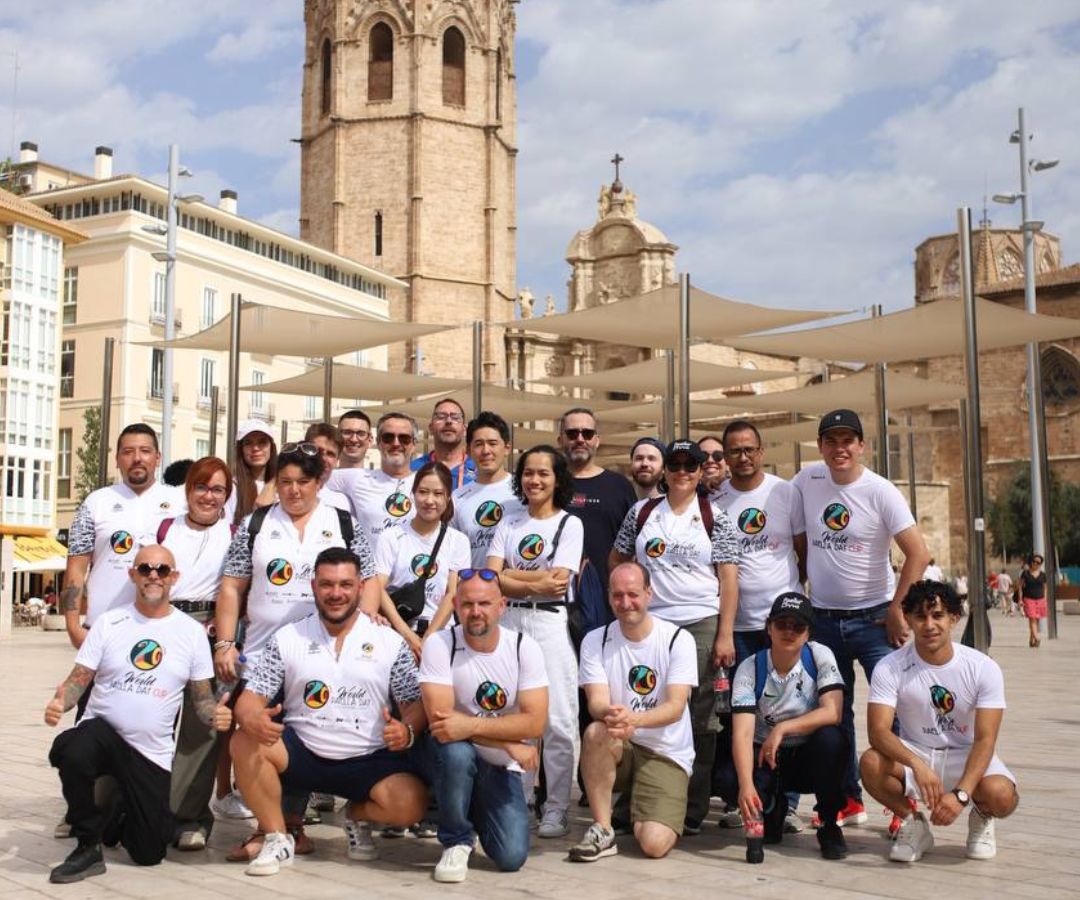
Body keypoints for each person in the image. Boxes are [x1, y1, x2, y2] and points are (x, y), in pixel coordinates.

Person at [214, 443, 376, 860]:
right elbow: (232, 585)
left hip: (322, 652)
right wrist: (226, 642)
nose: (293, 491)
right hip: (263, 653)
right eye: (284, 482)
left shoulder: (342, 522)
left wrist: (361, 636)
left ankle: (290, 826)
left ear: (319, 481)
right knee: (251, 734)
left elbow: (369, 578)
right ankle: (267, 827)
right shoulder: (255, 522)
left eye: (302, 482)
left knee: (302, 738)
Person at [231, 547, 429, 876]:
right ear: (313, 587)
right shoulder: (287, 637)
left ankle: (357, 815)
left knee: (411, 805)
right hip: (303, 753)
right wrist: (252, 717)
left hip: (368, 759)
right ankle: (278, 838)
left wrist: (407, 730)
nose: (336, 593)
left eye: (345, 585)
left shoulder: (389, 641)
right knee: (243, 741)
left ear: (361, 587)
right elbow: (252, 696)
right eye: (327, 584)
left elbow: (414, 704)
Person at [44, 545, 232, 883]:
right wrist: (62, 702)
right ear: (133, 575)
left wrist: (214, 715)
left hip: (150, 754)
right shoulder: (110, 622)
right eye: (145, 569)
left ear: (174, 578)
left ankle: (117, 815)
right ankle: (87, 845)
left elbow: (202, 699)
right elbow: (78, 680)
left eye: (162, 570)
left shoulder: (190, 633)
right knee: (70, 749)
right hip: (105, 735)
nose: (153, 576)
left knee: (148, 854)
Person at [792, 409, 929, 827]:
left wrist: (896, 608)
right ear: (820, 446)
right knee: (836, 710)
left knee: (897, 711)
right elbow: (801, 544)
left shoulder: (880, 491)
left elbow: (918, 553)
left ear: (862, 445)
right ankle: (849, 799)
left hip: (874, 619)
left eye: (848, 440)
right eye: (831, 441)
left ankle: (899, 801)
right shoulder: (806, 481)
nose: (840, 449)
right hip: (825, 620)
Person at [609, 439, 740, 833]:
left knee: (700, 715)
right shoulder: (643, 512)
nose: (682, 471)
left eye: (691, 465)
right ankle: (633, 800)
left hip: (700, 621)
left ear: (701, 472)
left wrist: (725, 634)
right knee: (642, 702)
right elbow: (618, 558)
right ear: (664, 470)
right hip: (654, 623)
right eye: (676, 464)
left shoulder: (715, 516)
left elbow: (729, 578)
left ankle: (692, 806)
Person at [860, 580, 1018, 863]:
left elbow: (985, 739)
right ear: (907, 619)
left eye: (938, 615)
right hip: (918, 751)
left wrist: (961, 795)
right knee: (870, 763)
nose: (929, 625)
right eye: (920, 617)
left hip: (965, 753)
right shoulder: (890, 666)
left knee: (1002, 796)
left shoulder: (983, 667)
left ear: (954, 618)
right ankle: (913, 822)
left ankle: (981, 816)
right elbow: (878, 732)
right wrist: (917, 764)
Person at [418, 568, 549, 882]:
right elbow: (443, 725)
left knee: (511, 856)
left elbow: (534, 723)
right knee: (456, 754)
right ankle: (456, 839)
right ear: (456, 604)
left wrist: (469, 725)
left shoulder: (523, 647)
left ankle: (469, 808)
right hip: (449, 755)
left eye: (484, 604)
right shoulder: (440, 644)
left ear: (501, 605)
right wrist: (508, 742)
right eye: (467, 604)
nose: (475, 612)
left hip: (496, 766)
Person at [711, 420, 806, 832]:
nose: (743, 457)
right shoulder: (714, 500)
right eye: (734, 451)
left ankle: (788, 801)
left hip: (781, 624)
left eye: (750, 449)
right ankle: (746, 797)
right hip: (738, 625)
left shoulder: (785, 492)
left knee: (786, 708)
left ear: (762, 451)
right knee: (739, 714)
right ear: (725, 456)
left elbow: (802, 553)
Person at [570, 562, 697, 862]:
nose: (625, 603)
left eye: (633, 594)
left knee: (653, 845)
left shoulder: (678, 639)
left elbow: (676, 707)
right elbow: (596, 702)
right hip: (620, 741)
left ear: (649, 594)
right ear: (608, 596)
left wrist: (633, 720)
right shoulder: (595, 639)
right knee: (595, 731)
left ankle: (645, 803)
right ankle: (603, 829)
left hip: (666, 751)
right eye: (617, 596)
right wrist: (614, 715)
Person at [487, 444, 584, 838]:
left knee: (559, 719)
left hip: (550, 625)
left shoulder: (569, 524)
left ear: (557, 479)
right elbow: (491, 576)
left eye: (543, 473)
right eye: (528, 473)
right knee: (514, 715)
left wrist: (513, 577)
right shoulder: (508, 522)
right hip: (510, 623)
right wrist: (532, 581)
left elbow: (558, 582)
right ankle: (521, 797)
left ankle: (557, 806)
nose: (535, 480)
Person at [717, 592, 848, 863]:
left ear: (808, 632)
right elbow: (741, 733)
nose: (789, 631)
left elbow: (833, 712)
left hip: (805, 754)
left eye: (798, 626)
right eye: (781, 624)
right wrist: (745, 786)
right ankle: (771, 806)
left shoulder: (819, 656)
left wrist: (783, 728)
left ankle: (828, 823)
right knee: (728, 778)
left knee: (833, 741)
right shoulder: (750, 667)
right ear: (769, 628)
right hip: (766, 756)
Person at [157, 457, 241, 849]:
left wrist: (229, 642)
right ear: (188, 489)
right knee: (149, 720)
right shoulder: (163, 528)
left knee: (202, 729)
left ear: (227, 496)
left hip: (211, 633)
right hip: (165, 629)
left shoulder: (235, 533)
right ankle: (134, 804)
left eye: (218, 489)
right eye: (202, 487)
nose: (209, 496)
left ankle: (187, 816)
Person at [60, 423, 185, 652]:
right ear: (117, 459)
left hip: (163, 632)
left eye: (145, 451)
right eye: (128, 452)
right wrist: (73, 627)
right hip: (102, 630)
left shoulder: (180, 502)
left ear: (158, 458)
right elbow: (75, 570)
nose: (137, 458)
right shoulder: (95, 503)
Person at [373, 461, 471, 656]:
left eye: (438, 494)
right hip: (396, 637)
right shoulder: (391, 537)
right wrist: (408, 636)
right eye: (423, 492)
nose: (429, 500)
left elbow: (452, 593)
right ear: (413, 493)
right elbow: (378, 587)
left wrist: (428, 640)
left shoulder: (457, 540)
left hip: (441, 638)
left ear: (448, 497)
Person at [557, 407, 636, 592]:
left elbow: (634, 545)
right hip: (555, 599)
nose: (580, 439)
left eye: (587, 433)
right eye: (572, 433)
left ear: (597, 440)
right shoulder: (547, 485)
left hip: (608, 598)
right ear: (560, 440)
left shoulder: (619, 486)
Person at [328, 411, 418, 540]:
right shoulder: (356, 478)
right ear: (378, 442)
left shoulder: (426, 483)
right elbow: (309, 477)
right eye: (388, 437)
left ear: (414, 443)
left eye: (404, 438)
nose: (396, 443)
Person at [452, 411, 524, 568]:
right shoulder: (457, 498)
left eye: (492, 443)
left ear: (506, 448)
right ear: (469, 451)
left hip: (517, 589)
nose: (486, 451)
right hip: (472, 587)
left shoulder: (525, 491)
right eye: (478, 444)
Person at [410, 397, 476, 488]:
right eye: (441, 417)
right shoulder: (413, 469)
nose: (448, 421)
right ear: (431, 428)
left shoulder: (479, 470)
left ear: (464, 429)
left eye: (455, 417)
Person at [227, 420, 277, 525]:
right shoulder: (232, 487)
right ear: (241, 449)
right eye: (248, 443)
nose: (255, 448)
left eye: (262, 442)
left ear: (271, 447)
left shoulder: (281, 486)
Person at [1018, 554, 1047, 648]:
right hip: (1028, 599)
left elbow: (1045, 588)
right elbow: (1020, 587)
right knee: (1032, 618)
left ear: (1040, 564)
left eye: (1038, 562)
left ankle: (1032, 639)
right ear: (1031, 562)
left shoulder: (1043, 575)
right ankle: (1037, 638)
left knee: (1036, 620)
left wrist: (1045, 599)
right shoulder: (1025, 573)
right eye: (1034, 561)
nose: (1035, 563)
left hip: (1040, 599)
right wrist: (1020, 599)